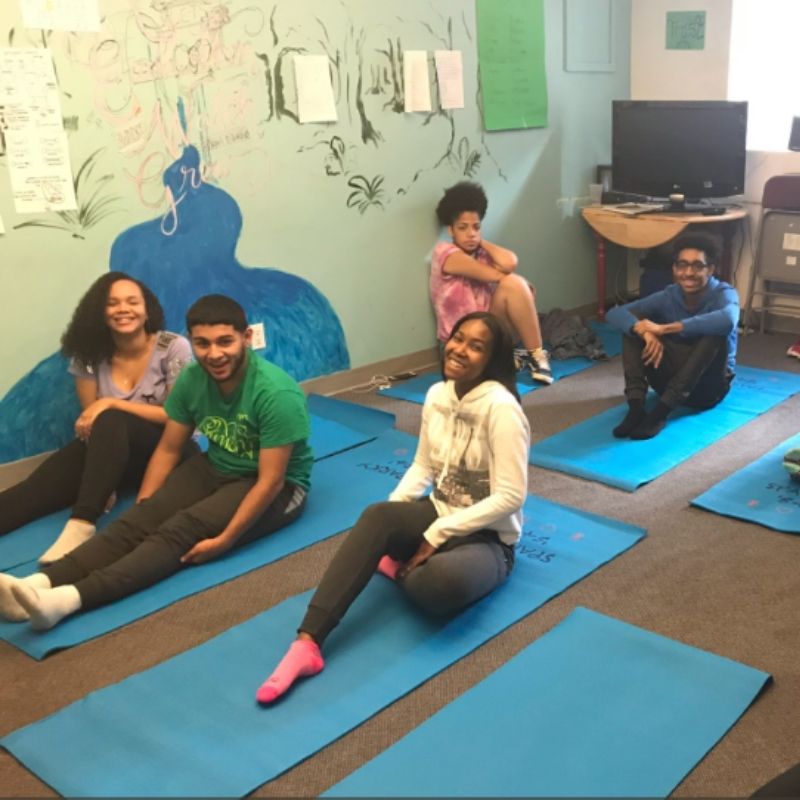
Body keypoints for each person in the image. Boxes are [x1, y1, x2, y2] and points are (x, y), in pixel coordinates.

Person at [255, 311, 530, 704]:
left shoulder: (502, 409)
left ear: (493, 359)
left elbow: (510, 497)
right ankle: (307, 645)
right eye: (458, 337)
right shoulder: (438, 394)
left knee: (438, 585)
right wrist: (392, 522)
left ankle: (406, 570)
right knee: (376, 517)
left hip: (487, 539)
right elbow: (423, 465)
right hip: (440, 510)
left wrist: (434, 535)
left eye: (477, 346)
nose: (460, 349)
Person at [0, 295, 312, 628]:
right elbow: (168, 449)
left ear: (246, 338)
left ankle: (67, 600)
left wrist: (226, 539)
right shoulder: (193, 379)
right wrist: (145, 503)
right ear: (191, 342)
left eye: (225, 342)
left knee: (179, 530)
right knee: (138, 520)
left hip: (275, 487)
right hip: (217, 464)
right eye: (203, 343)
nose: (215, 354)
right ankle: (38, 585)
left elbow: (271, 480)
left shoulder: (276, 394)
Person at [0, 271, 193, 563]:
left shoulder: (173, 347)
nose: (123, 309)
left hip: (166, 450)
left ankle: (82, 524)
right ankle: (99, 489)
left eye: (132, 302)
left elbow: (176, 417)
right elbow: (91, 420)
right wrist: (106, 473)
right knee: (35, 490)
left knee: (112, 417)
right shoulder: (89, 354)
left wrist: (111, 405)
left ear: (146, 309)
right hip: (109, 449)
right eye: (112, 303)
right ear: (100, 312)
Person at [606, 232, 739, 440]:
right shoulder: (669, 295)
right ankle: (636, 407)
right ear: (674, 269)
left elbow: (728, 320)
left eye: (697, 266)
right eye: (682, 265)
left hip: (708, 389)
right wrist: (645, 332)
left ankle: (660, 414)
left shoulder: (724, 293)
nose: (688, 272)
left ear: (711, 269)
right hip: (668, 381)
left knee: (713, 334)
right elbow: (614, 313)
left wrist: (664, 329)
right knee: (634, 328)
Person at [431, 181, 553, 385]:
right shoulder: (444, 253)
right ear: (451, 230)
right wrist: (520, 285)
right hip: (458, 343)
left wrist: (481, 242)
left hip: (488, 331)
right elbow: (493, 275)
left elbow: (510, 262)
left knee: (513, 283)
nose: (470, 233)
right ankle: (505, 359)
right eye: (463, 228)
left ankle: (536, 356)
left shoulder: (481, 252)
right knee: (513, 282)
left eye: (476, 227)